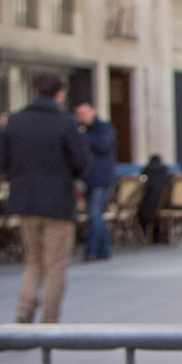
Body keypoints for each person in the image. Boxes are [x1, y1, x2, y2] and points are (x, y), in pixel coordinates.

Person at [1, 72, 90, 324]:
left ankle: (24, 308)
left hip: (25, 201)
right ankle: (49, 320)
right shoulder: (65, 122)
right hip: (58, 203)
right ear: (60, 94)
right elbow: (81, 163)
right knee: (56, 264)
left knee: (33, 260)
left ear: (35, 92)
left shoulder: (15, 121)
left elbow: (4, 162)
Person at [72, 102, 117, 262]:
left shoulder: (104, 128)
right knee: (96, 215)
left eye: (85, 112)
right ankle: (104, 250)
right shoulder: (82, 130)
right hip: (88, 178)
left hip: (101, 178)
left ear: (93, 111)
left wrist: (82, 136)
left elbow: (103, 145)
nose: (83, 117)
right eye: (80, 114)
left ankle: (91, 250)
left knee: (94, 214)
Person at [137, 154, 174, 242]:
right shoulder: (166, 173)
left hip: (148, 207)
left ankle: (144, 236)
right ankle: (163, 236)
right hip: (166, 206)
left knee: (140, 212)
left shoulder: (146, 172)